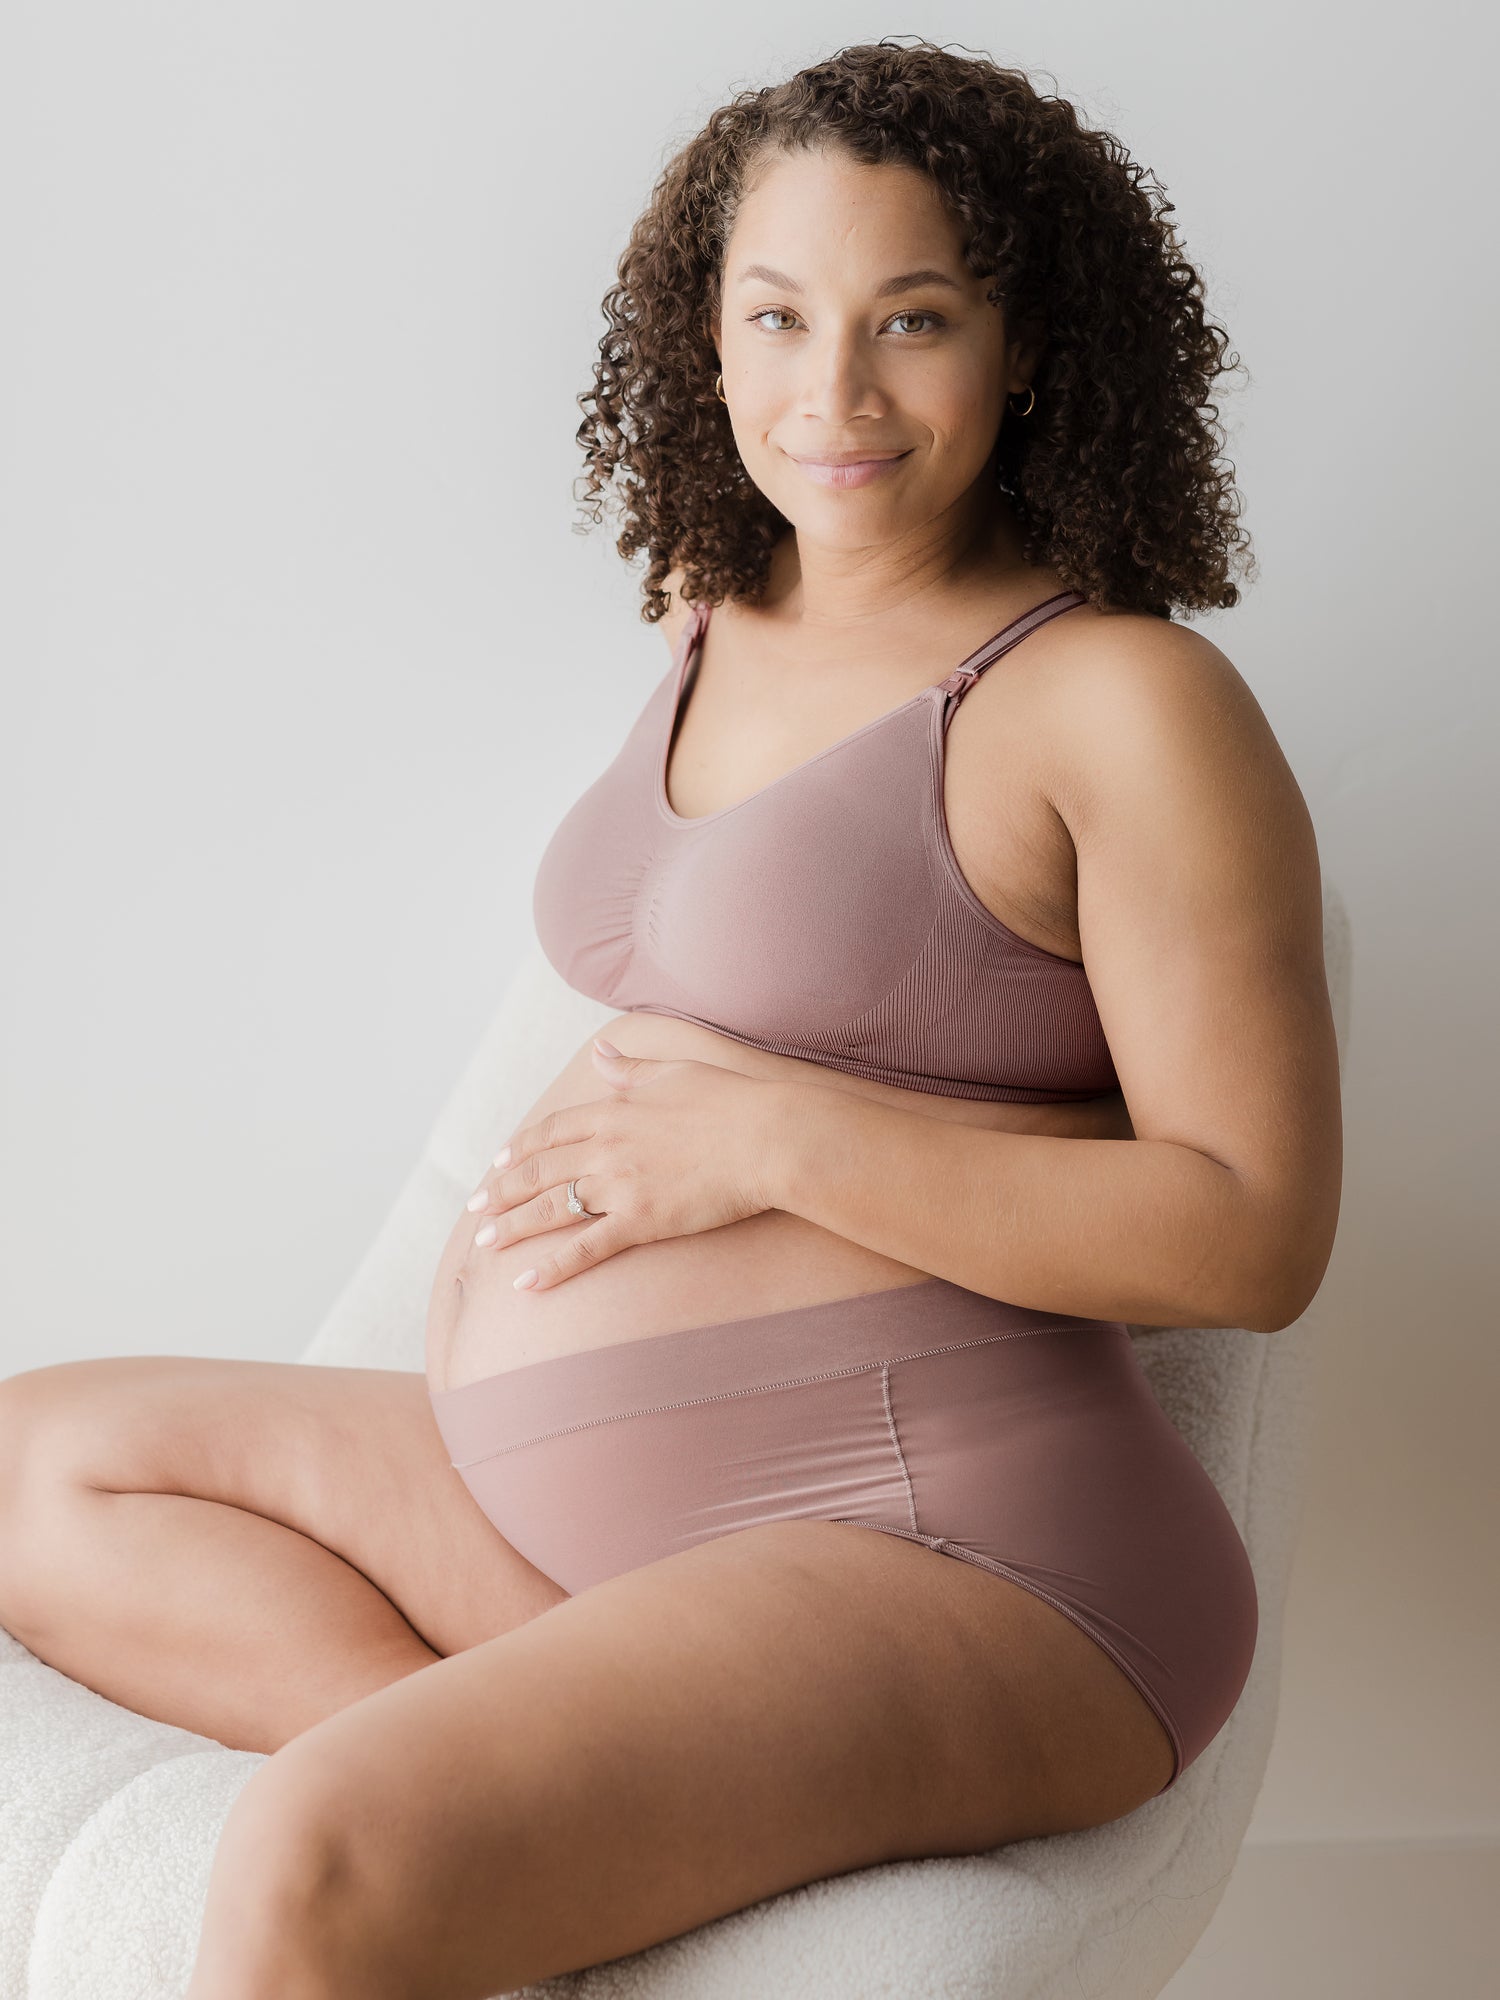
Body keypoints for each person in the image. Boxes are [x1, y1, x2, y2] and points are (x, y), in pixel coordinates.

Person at [0, 39, 1341, 1999]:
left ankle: (451, 1834)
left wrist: (775, 1139)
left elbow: (1252, 1231)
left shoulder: (1124, 702)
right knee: (40, 1463)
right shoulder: (715, 620)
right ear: (700, 336)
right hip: (583, 1525)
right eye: (777, 316)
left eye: (915, 321)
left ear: (1029, 343)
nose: (834, 392)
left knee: (307, 1868)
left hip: (957, 1543)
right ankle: (535, 1821)